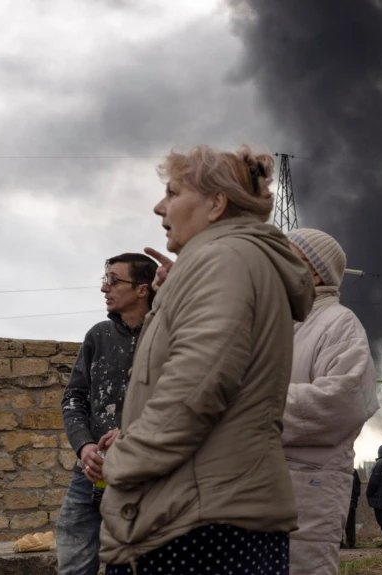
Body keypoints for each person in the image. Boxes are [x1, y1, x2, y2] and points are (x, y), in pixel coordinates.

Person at [96, 144, 315, 574]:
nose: (160, 207)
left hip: (201, 526)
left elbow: (196, 389)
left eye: (173, 193)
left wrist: (122, 461)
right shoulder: (227, 262)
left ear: (216, 204)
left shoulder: (225, 261)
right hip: (212, 511)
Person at [282, 227, 379, 574]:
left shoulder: (339, 324)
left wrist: (254, 407)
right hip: (258, 485)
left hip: (309, 487)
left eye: (285, 255)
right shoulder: (275, 322)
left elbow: (341, 403)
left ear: (314, 270)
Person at [57, 253, 157, 575]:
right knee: (73, 563)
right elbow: (74, 397)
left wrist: (130, 434)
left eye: (113, 279)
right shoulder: (97, 335)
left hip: (144, 475)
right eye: (104, 279)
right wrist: (84, 446)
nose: (104, 287)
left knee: (136, 563)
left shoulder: (166, 336)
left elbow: (178, 403)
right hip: (89, 473)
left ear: (142, 289)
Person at [342, 470, 361, 550]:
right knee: (351, 522)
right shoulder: (353, 470)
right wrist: (355, 498)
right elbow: (358, 485)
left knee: (339, 521)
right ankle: (351, 543)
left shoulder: (337, 469)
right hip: (351, 499)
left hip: (340, 500)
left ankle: (339, 542)